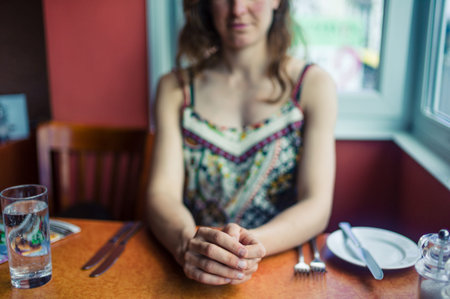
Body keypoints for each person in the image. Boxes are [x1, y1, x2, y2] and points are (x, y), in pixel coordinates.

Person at [146, 0, 337, 286]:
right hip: (192, 271)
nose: (238, 9)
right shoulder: (175, 89)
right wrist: (188, 244)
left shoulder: (313, 85)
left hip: (281, 270)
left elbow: (317, 205)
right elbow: (161, 194)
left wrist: (251, 247)